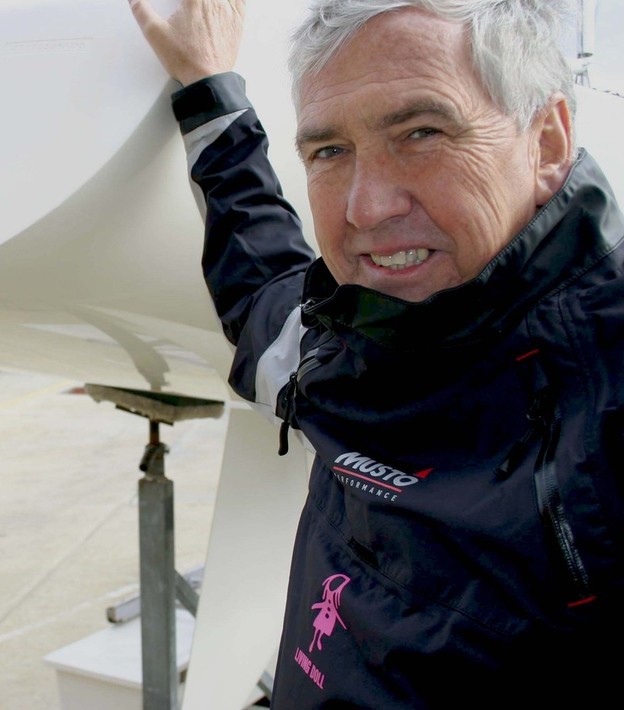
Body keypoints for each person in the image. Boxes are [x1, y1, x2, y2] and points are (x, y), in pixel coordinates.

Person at [128, 0, 624, 706]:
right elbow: (258, 285)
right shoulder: (343, 345)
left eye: (421, 132)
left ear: (545, 143)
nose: (366, 206)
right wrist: (206, 85)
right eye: (329, 151)